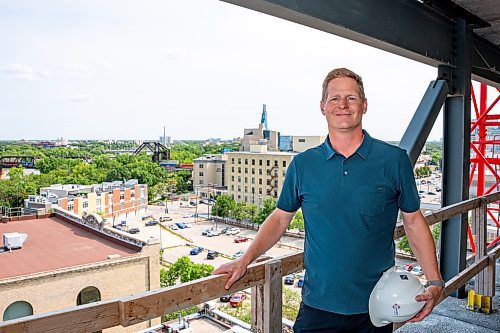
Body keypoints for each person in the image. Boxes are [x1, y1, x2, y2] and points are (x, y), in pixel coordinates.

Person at [213, 68, 443, 332]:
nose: (342, 105)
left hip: (376, 306)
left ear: (364, 105)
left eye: (351, 98)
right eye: (334, 99)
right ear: (323, 107)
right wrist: (245, 260)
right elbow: (279, 219)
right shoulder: (303, 164)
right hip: (317, 307)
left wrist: (435, 281)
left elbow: (413, 222)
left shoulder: (394, 160)